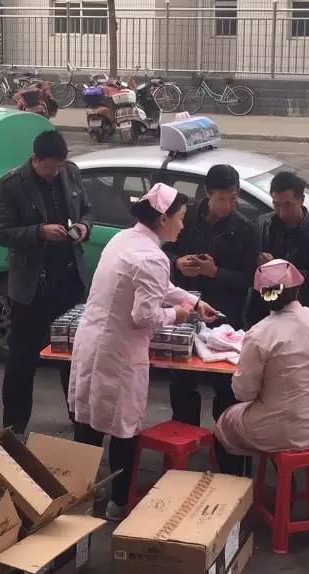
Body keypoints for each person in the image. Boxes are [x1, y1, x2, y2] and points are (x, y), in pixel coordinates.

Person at [68, 183, 218, 521]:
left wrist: (192, 301)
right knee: (124, 426)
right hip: (119, 351)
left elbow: (157, 286)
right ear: (164, 218)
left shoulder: (125, 239)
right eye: (181, 217)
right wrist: (177, 314)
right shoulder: (153, 257)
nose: (183, 224)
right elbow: (144, 316)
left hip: (94, 340)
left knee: (89, 418)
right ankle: (120, 502)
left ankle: (80, 492)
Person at [0, 130, 94, 434]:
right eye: (50, 168)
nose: (55, 173)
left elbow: (87, 210)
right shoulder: (11, 185)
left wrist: (83, 227)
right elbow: (3, 234)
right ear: (35, 159)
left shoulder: (71, 173)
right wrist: (39, 232)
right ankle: (14, 427)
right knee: (22, 359)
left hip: (69, 280)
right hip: (32, 286)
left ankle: (78, 418)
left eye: (59, 167)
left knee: (73, 357)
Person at [163, 164, 258, 475]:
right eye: (222, 198)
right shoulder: (185, 217)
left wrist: (216, 272)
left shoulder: (245, 228)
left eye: (233, 198)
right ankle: (184, 448)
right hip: (185, 312)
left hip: (224, 318)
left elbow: (248, 278)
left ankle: (226, 456)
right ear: (207, 194)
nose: (228, 205)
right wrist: (178, 263)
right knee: (182, 386)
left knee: (227, 391)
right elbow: (164, 252)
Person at [214, 259, 309, 457]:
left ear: (262, 296)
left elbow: (244, 393)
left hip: (278, 431)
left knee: (226, 420)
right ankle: (284, 471)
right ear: (297, 288)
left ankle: (233, 474)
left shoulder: (259, 333)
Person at [248, 171, 309, 324]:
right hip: (262, 308)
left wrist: (280, 269)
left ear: (301, 200)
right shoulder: (263, 223)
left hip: (297, 308)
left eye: (288, 204)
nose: (282, 211)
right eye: (276, 204)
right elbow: (250, 258)